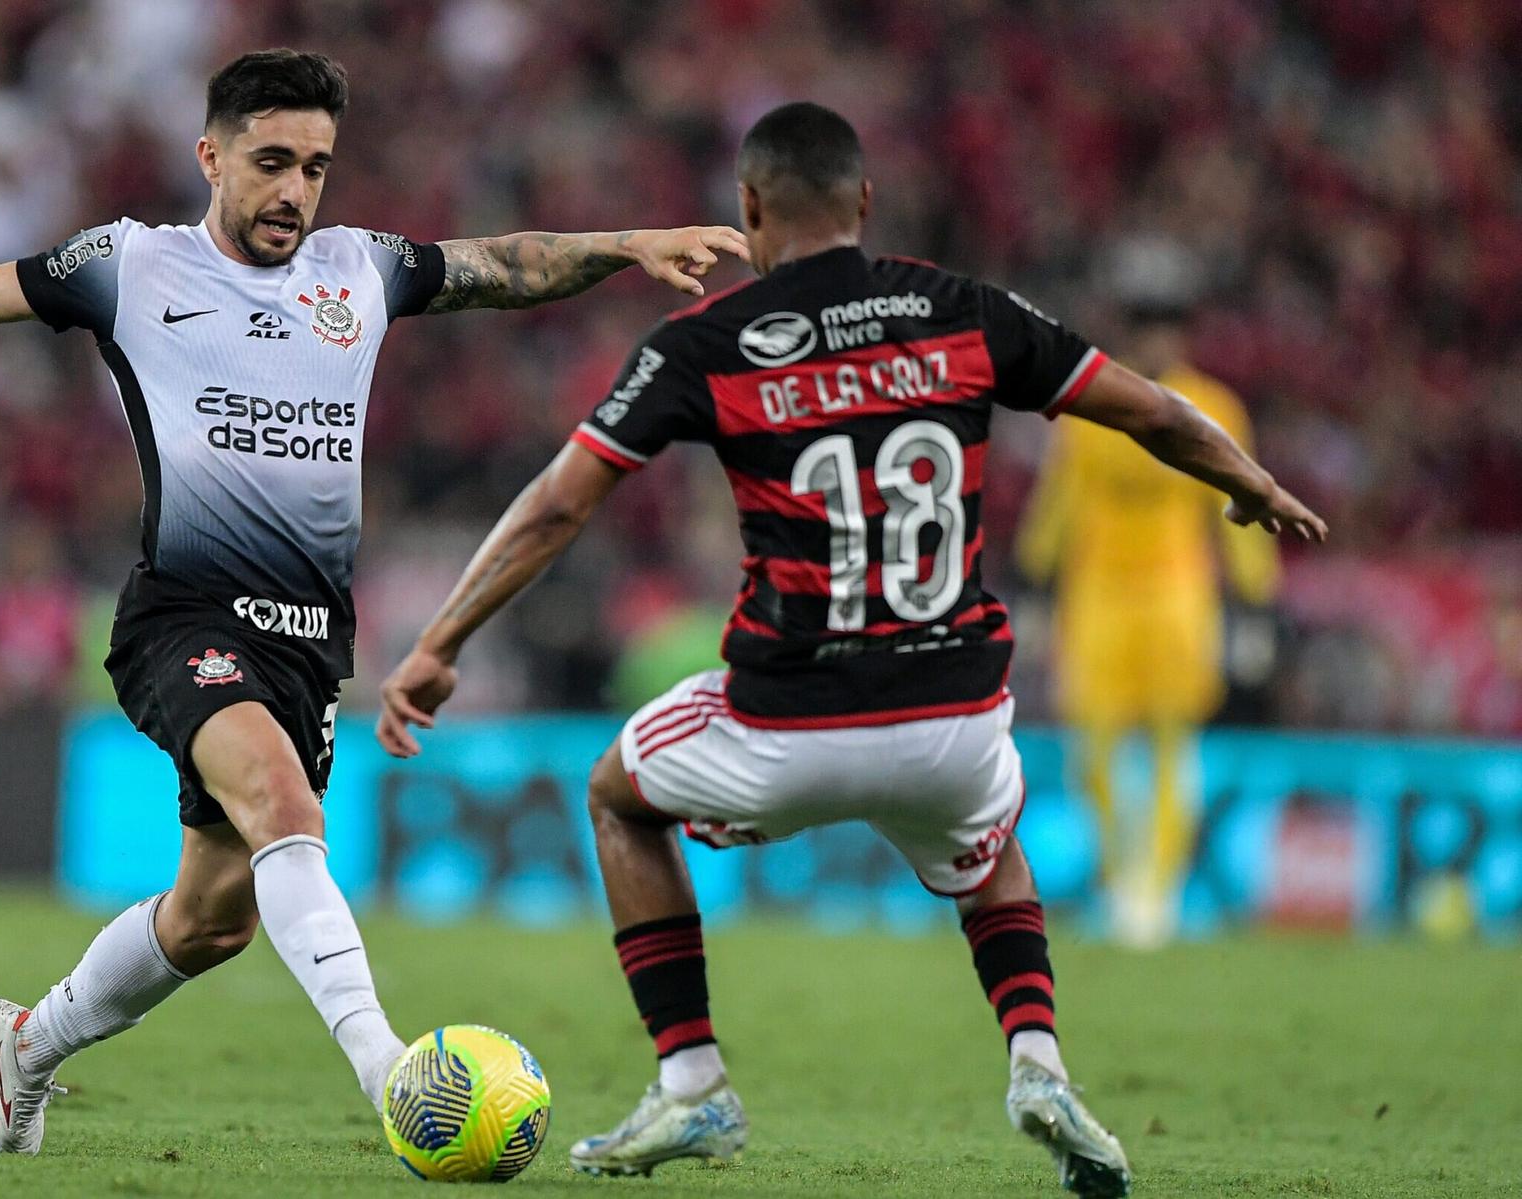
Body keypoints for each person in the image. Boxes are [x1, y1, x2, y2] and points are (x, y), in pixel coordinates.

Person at [0, 48, 746, 1156]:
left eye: (316, 167)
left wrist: (626, 245)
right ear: (211, 156)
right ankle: (398, 1079)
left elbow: (508, 265)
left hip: (307, 641)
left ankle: (28, 1045)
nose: (294, 190)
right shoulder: (133, 265)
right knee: (287, 808)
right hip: (183, 617)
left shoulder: (360, 270)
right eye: (271, 161)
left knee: (214, 915)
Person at [376, 101, 1326, 1196]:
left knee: (616, 791)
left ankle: (691, 1082)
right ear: (865, 202)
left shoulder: (707, 340)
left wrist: (440, 641)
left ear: (747, 207)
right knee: (990, 842)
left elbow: (557, 506)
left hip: (788, 720)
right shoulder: (963, 310)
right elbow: (1150, 411)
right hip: (955, 716)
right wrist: (1248, 482)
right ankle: (1038, 1061)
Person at [1017, 237, 1279, 947]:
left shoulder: (1213, 404)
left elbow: (1241, 506)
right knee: (1092, 751)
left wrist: (1254, 605)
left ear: (1184, 328)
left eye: (1165, 321)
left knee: (1171, 746)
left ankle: (1154, 890)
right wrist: (1036, 587)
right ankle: (1118, 874)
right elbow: (1058, 503)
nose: (1154, 335)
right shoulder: (1090, 402)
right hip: (1096, 596)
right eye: (1143, 320)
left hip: (1177, 597)